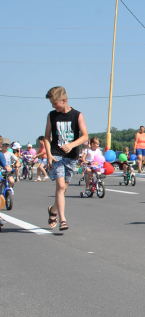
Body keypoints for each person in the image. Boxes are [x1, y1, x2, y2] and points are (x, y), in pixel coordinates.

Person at [43, 86, 89, 231]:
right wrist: (49, 154)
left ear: (63, 100)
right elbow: (46, 137)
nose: (53, 106)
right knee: (60, 186)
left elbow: (85, 136)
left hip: (71, 156)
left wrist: (72, 145)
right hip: (56, 154)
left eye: (54, 103)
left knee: (64, 189)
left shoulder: (77, 115)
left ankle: (53, 210)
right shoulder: (52, 116)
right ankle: (63, 220)